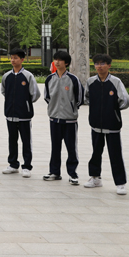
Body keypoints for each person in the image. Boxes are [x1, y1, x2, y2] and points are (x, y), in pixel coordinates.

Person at [84, 53, 129, 194]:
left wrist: (112, 110)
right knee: (96, 152)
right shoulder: (91, 82)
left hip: (112, 124)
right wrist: (96, 109)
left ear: (109, 65)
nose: (99, 66)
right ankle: (95, 178)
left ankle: (120, 183)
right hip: (96, 124)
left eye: (102, 63)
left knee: (115, 154)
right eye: (97, 63)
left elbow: (125, 101)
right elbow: (86, 98)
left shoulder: (116, 82)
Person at [43, 51, 85, 185]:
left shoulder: (73, 79)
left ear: (66, 63)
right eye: (55, 59)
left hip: (69, 120)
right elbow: (47, 97)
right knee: (55, 147)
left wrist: (71, 109)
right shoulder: (50, 79)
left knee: (71, 147)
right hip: (54, 119)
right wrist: (53, 108)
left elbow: (80, 98)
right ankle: (54, 172)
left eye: (60, 60)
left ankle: (73, 174)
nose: (57, 62)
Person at [1, 48, 41, 178]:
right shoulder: (7, 76)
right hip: (10, 114)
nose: (13, 60)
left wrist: (25, 104)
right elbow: (4, 91)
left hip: (24, 115)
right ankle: (13, 164)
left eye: (16, 58)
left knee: (26, 141)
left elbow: (35, 94)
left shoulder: (28, 76)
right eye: (11, 57)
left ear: (22, 59)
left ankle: (27, 166)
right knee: (12, 140)